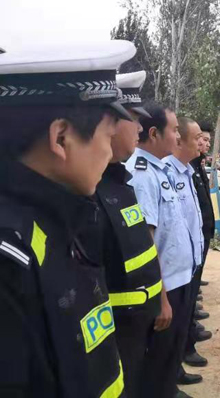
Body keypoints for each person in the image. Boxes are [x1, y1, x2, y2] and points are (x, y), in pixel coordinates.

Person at [0, 41, 136, 397]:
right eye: (108, 136)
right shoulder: (9, 262)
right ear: (60, 137)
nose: (109, 152)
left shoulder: (59, 220)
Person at [78, 71, 162, 398]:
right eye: (133, 119)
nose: (139, 128)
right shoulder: (86, 193)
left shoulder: (121, 183)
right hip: (112, 330)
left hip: (137, 324)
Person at [125, 104, 195, 398]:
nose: (178, 136)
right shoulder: (143, 176)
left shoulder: (159, 169)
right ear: (154, 134)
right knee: (157, 362)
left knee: (169, 357)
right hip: (165, 287)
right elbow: (146, 244)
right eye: (175, 130)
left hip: (179, 280)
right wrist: (162, 299)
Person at [164, 117, 210, 390]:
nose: (201, 143)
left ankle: (174, 372)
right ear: (179, 140)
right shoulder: (166, 172)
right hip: (172, 270)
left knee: (181, 323)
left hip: (189, 262)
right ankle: (168, 381)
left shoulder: (186, 171)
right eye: (197, 138)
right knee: (169, 331)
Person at [184, 121, 216, 368]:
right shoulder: (180, 169)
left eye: (206, 140)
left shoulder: (194, 166)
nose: (203, 143)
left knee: (189, 296)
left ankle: (188, 334)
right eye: (200, 139)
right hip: (185, 248)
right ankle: (185, 346)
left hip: (199, 237)